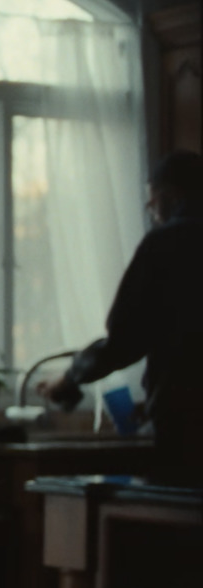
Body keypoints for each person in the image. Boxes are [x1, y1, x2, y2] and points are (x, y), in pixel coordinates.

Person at [40, 150, 203, 482]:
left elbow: (126, 339)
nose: (152, 212)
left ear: (169, 197)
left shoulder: (166, 243)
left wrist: (69, 378)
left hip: (186, 428)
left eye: (152, 203)